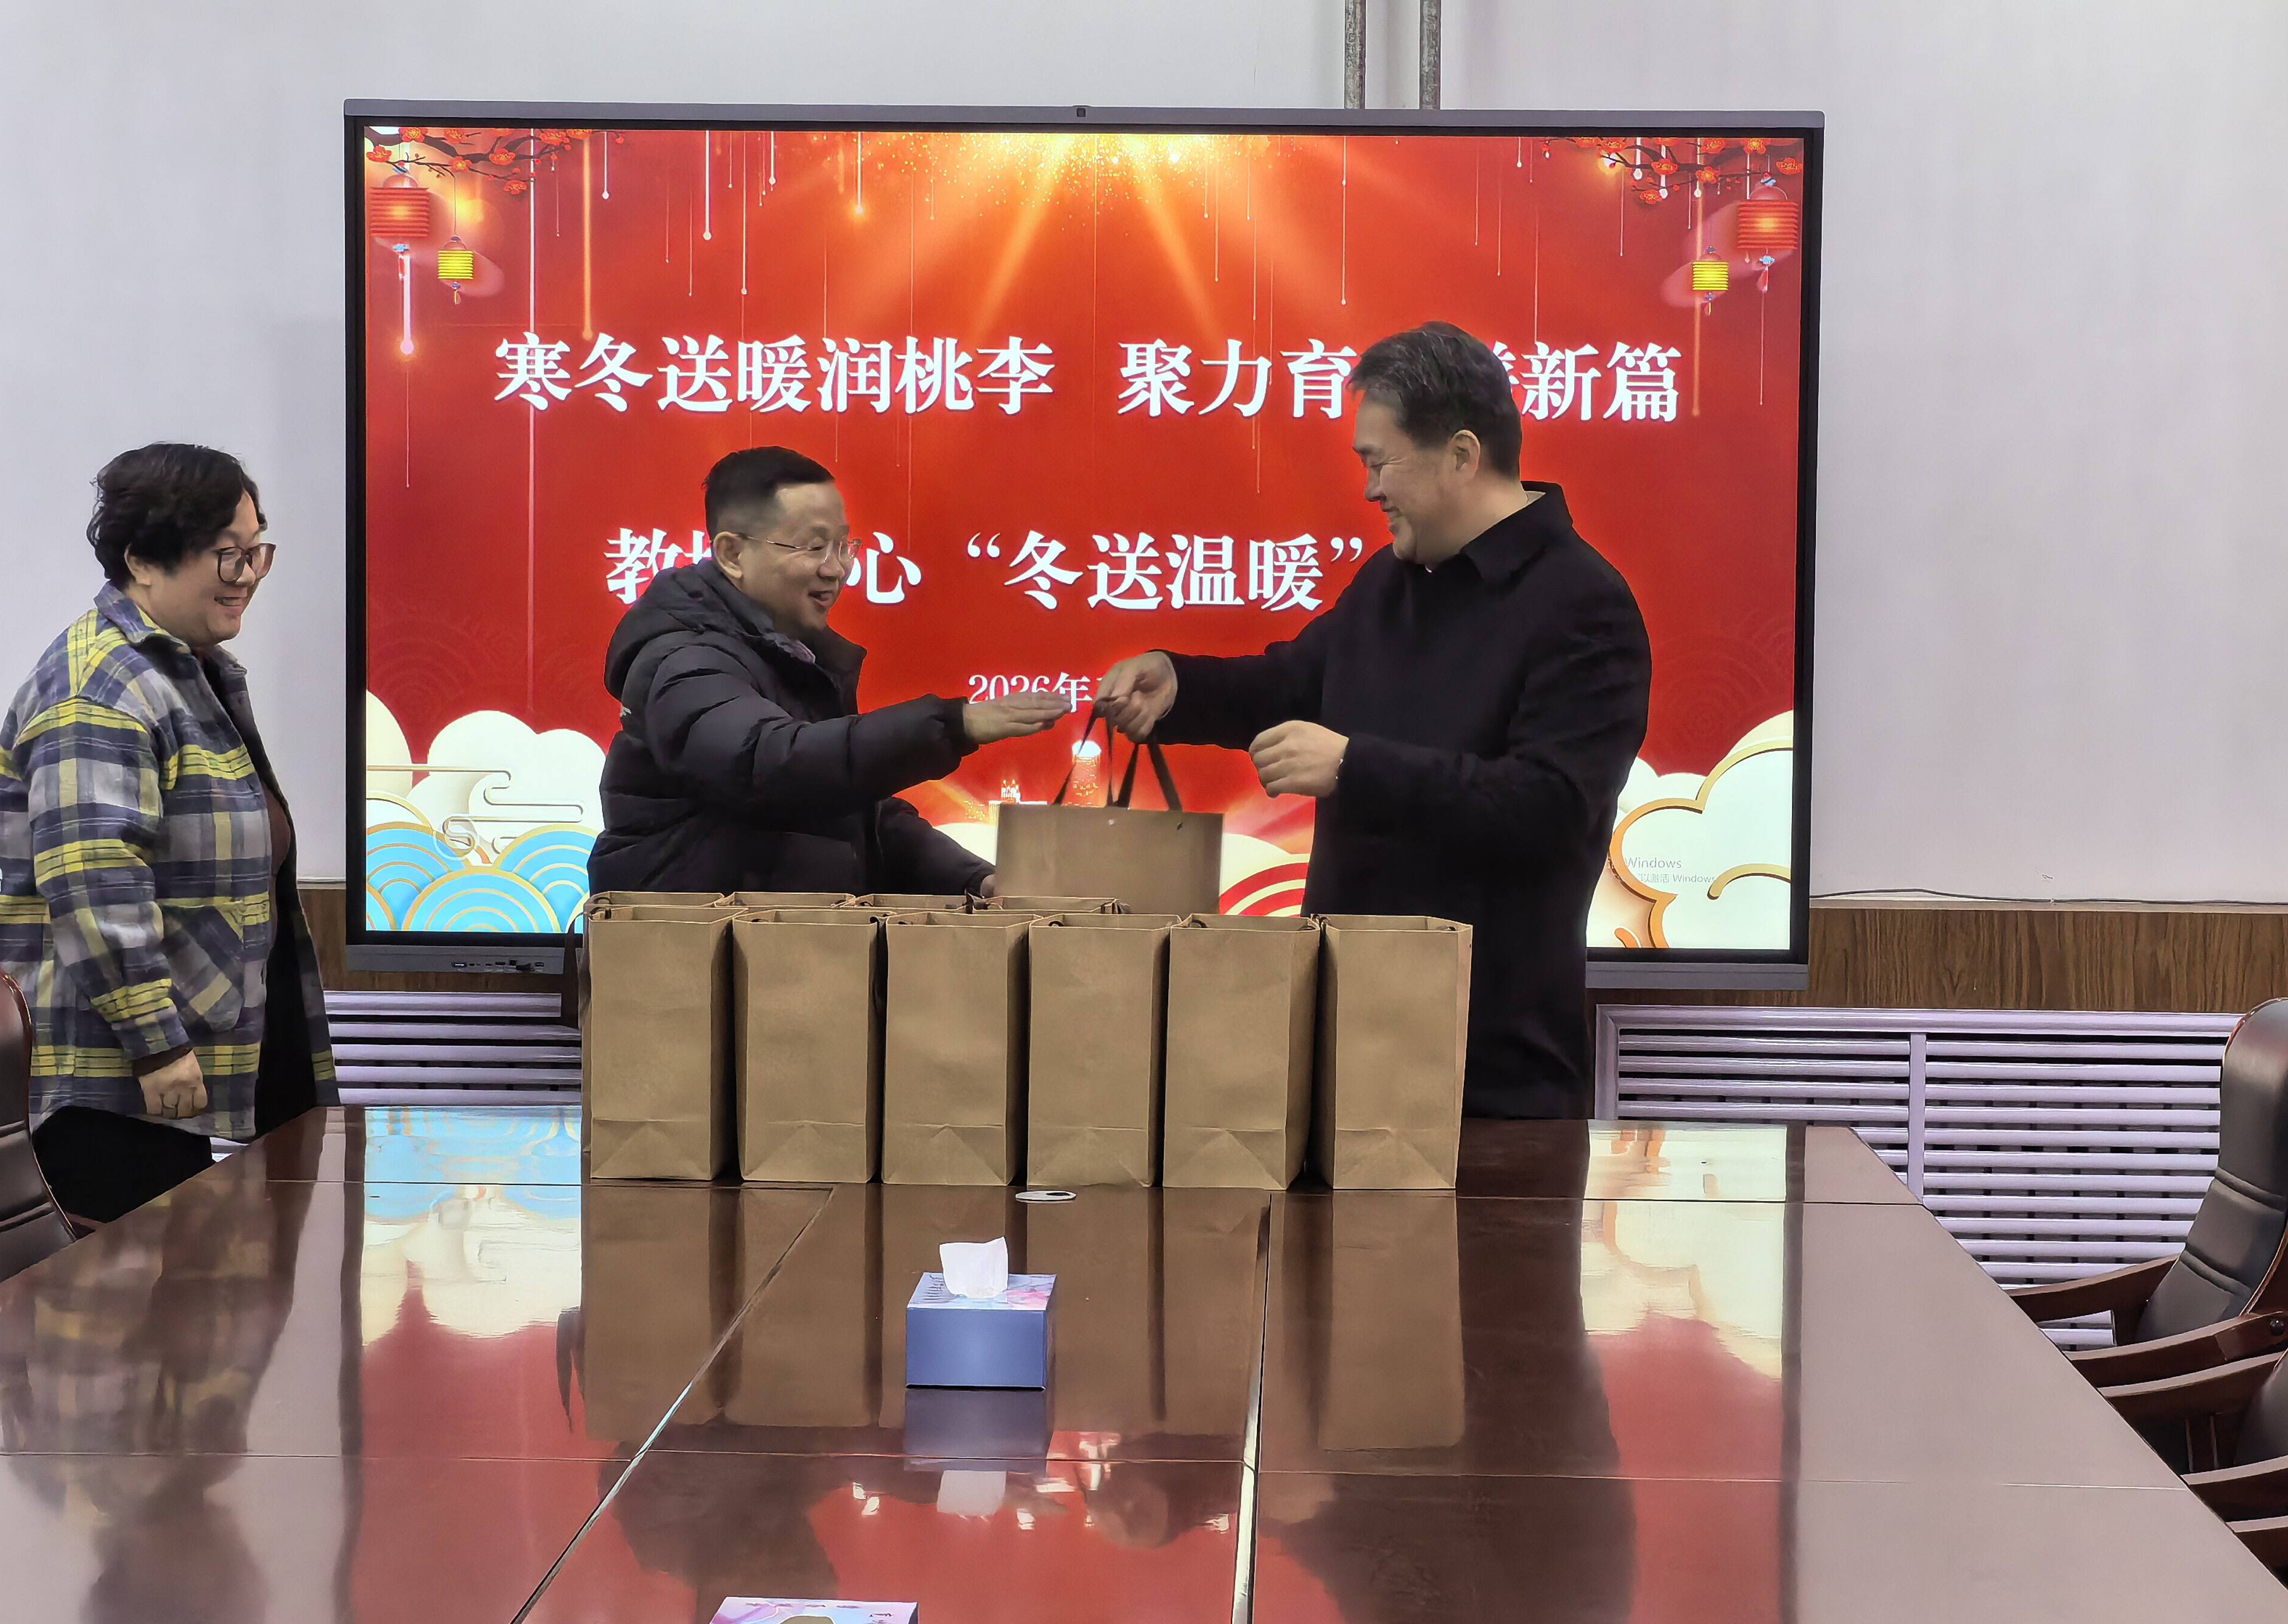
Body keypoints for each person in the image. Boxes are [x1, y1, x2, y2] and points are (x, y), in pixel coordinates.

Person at [1096, 322, 1651, 1115]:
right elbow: (1291, 682)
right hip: (1342, 1038)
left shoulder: (1582, 603)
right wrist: (1179, 686)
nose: (1369, 490)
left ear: (1462, 455)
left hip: (1488, 1065)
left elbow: (1553, 807)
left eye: (1379, 462)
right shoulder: (1392, 581)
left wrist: (1356, 768)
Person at [0, 445, 338, 1224]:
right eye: (227, 553)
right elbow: (94, 879)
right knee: (126, 1303)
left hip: (170, 1091)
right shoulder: (102, 685)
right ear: (142, 561)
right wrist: (157, 1041)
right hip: (115, 1095)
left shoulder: (184, 671)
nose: (247, 574)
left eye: (256, 550)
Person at [588, 446, 1066, 896]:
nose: (835, 569)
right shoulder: (683, 660)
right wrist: (953, 725)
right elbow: (769, 764)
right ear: (733, 554)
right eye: (814, 547)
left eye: (843, 546)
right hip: (694, 947)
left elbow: (857, 817)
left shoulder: (788, 655)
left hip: (774, 942)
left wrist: (977, 881)